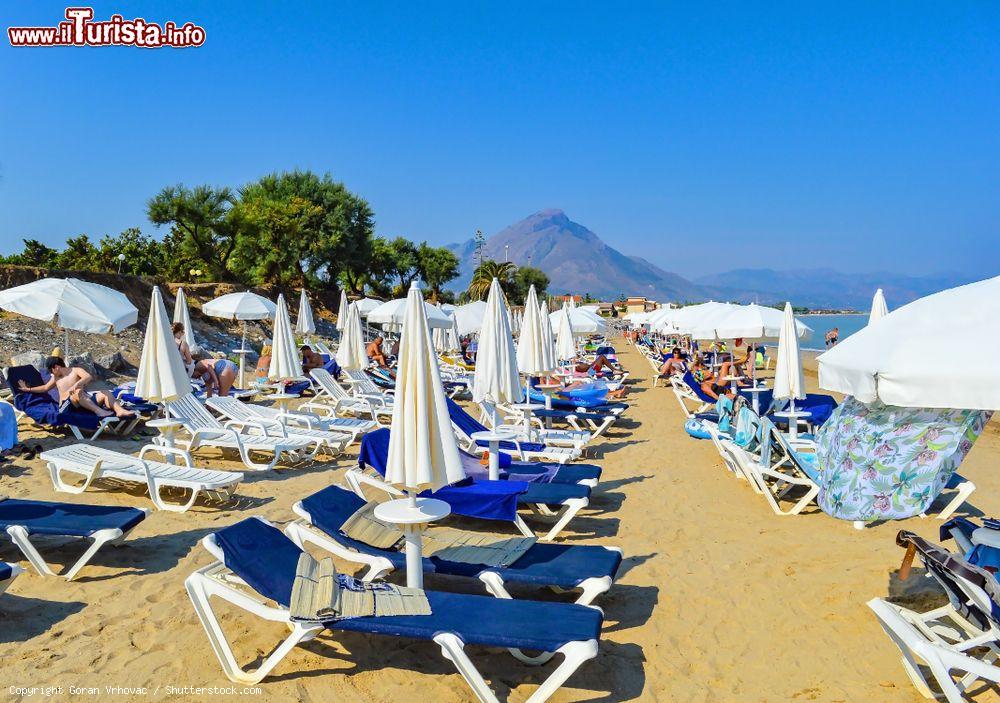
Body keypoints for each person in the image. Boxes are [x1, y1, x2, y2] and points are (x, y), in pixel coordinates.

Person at [17, 356, 134, 419]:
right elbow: (45, 388)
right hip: (67, 406)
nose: (50, 373)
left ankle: (119, 411)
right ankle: (99, 412)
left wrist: (77, 384)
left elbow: (88, 377)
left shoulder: (76, 370)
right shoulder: (56, 378)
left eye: (51, 370)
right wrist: (28, 389)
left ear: (56, 367)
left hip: (84, 401)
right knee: (77, 392)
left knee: (105, 392)